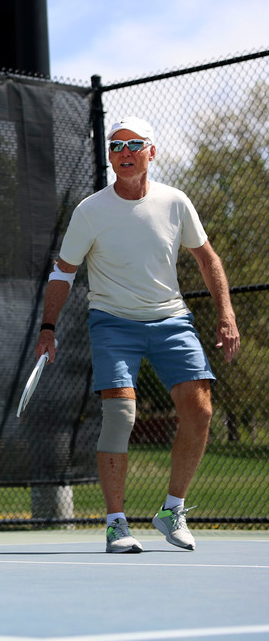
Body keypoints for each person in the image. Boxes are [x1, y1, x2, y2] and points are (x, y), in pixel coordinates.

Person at [35, 116, 239, 554]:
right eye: (115, 147)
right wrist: (47, 328)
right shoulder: (89, 211)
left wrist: (226, 313)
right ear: (110, 158)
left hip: (171, 320)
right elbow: (63, 272)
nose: (124, 154)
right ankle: (115, 524)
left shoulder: (176, 202)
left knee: (200, 410)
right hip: (112, 321)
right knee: (120, 416)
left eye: (134, 145)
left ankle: (172, 510)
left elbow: (208, 260)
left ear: (152, 152)